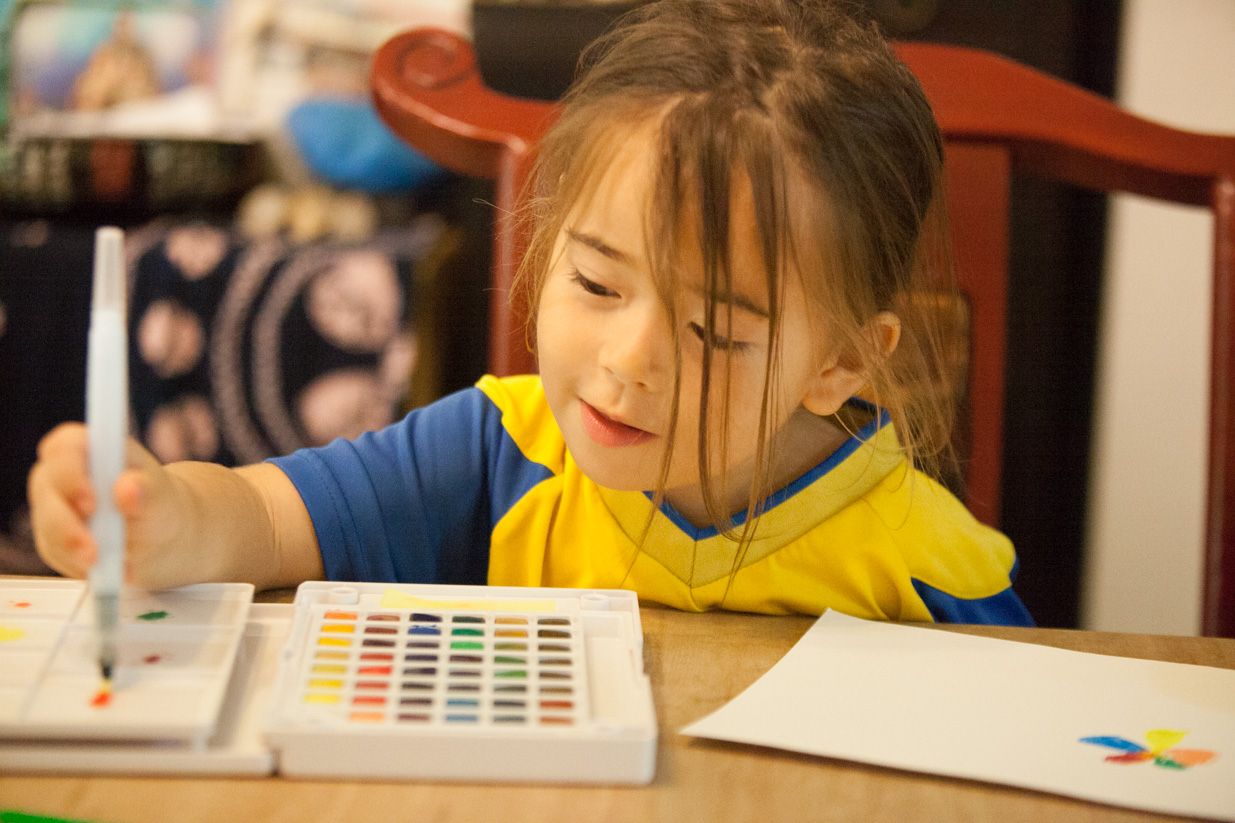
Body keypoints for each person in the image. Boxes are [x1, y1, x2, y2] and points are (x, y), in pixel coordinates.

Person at [28, 0, 1033, 625]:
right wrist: (165, 519)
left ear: (840, 362)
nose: (628, 360)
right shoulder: (498, 450)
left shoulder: (921, 563)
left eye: (715, 331)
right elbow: (261, 517)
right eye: (596, 283)